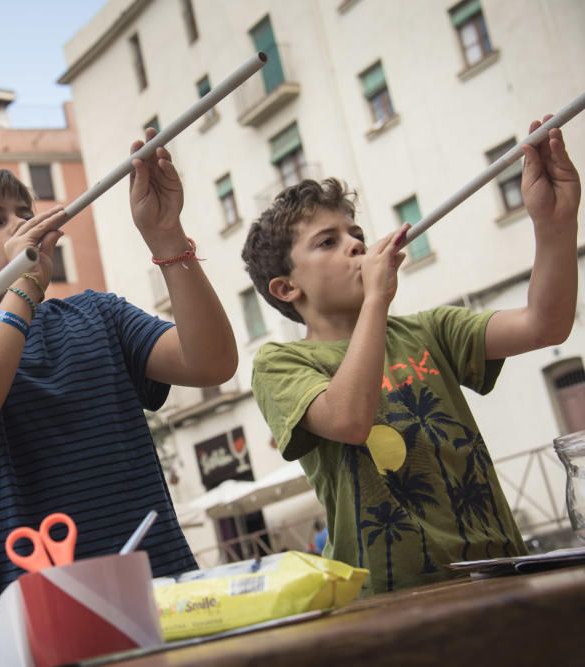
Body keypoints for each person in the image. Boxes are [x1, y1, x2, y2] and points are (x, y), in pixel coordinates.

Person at [0, 128, 238, 630]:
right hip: (29, 617)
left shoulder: (99, 313)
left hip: (161, 596)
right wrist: (25, 286)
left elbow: (211, 362)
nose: (22, 223)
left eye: (23, 211)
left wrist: (166, 235)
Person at [243, 118, 579, 593]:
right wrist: (378, 299)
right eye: (328, 241)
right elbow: (348, 421)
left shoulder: (428, 330)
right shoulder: (280, 362)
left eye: (354, 232)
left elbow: (546, 323)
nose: (356, 244)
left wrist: (554, 222)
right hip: (391, 598)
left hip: (502, 572)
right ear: (286, 287)